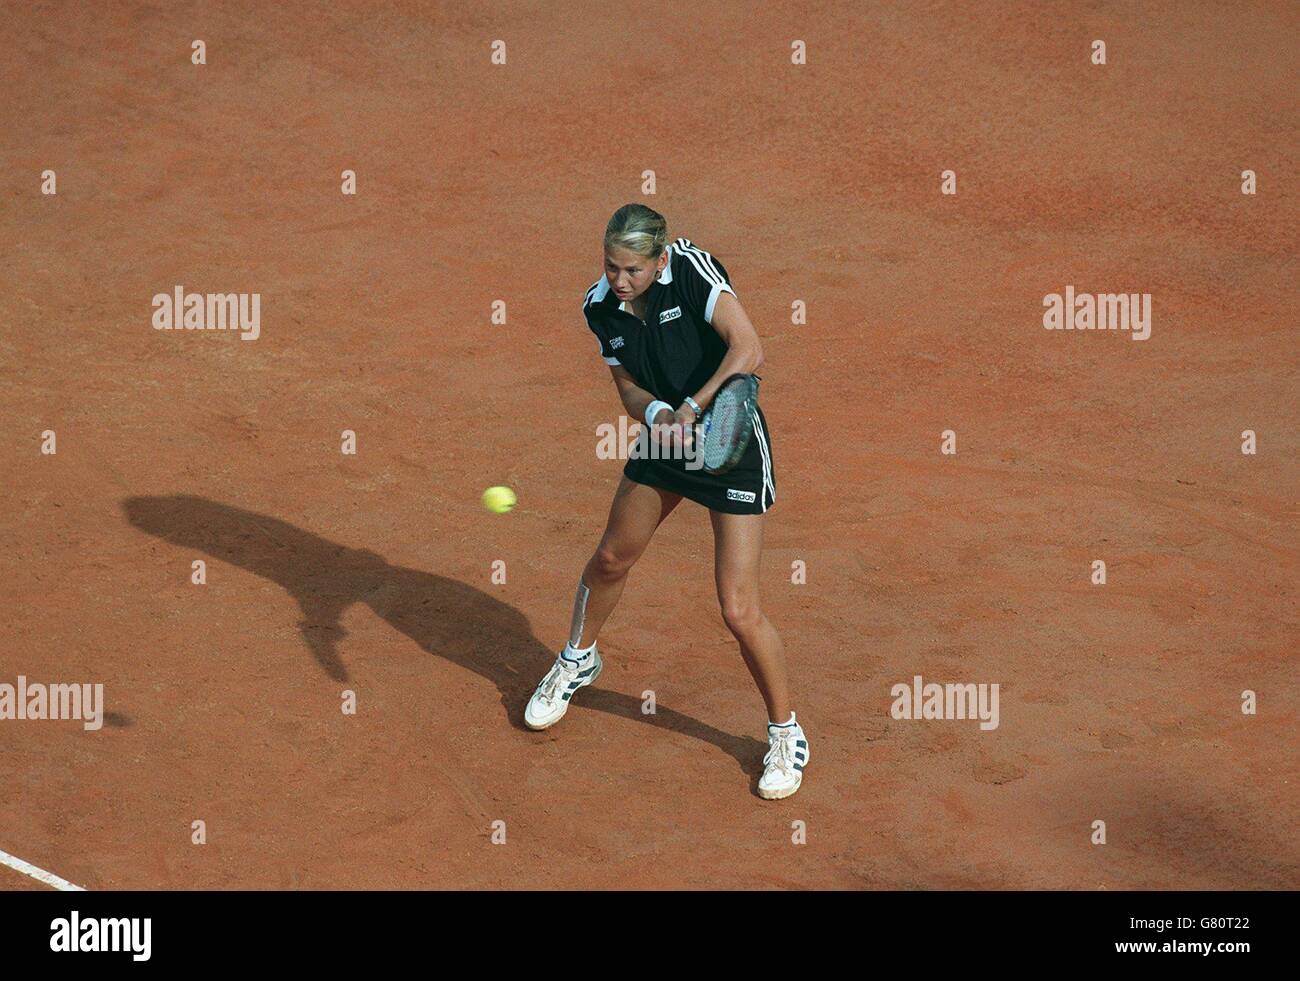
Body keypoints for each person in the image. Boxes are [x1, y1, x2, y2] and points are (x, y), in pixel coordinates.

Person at [524, 203, 808, 800]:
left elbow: (748, 349)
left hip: (729, 443)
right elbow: (628, 385)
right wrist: (657, 412)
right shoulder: (598, 306)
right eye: (611, 265)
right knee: (610, 559)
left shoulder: (695, 272)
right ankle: (577, 660)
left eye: (633, 268)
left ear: (660, 258)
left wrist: (696, 405)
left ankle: (785, 732)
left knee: (738, 608)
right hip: (669, 440)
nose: (619, 279)